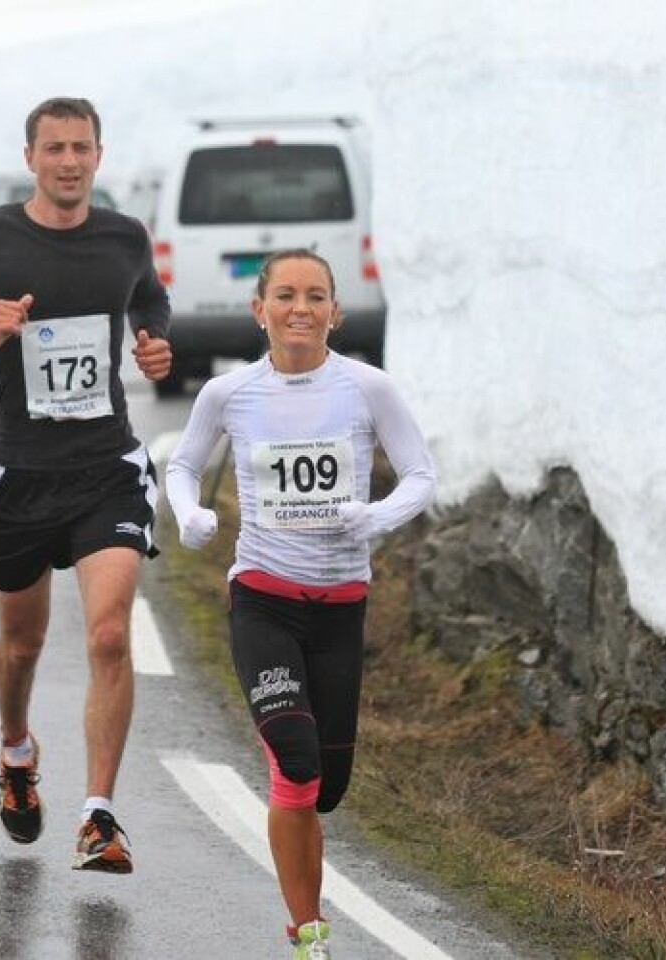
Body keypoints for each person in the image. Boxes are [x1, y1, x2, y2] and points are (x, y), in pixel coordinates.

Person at [0, 96, 172, 874]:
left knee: (109, 634)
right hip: (22, 475)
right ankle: (17, 751)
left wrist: (158, 346)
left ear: (99, 155)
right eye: (53, 147)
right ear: (31, 157)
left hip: (106, 471)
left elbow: (152, 303)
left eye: (80, 147)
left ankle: (99, 816)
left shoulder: (125, 237)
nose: (68, 161)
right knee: (22, 645)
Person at [165, 249, 436, 959]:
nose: (300, 309)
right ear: (260, 310)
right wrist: (187, 512)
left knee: (329, 785)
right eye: (285, 295)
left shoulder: (368, 388)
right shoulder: (229, 395)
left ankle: (307, 914)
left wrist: (373, 517)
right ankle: (307, 932)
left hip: (340, 607)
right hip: (263, 599)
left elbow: (420, 475)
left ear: (334, 312)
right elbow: (183, 464)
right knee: (295, 757)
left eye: (316, 296)